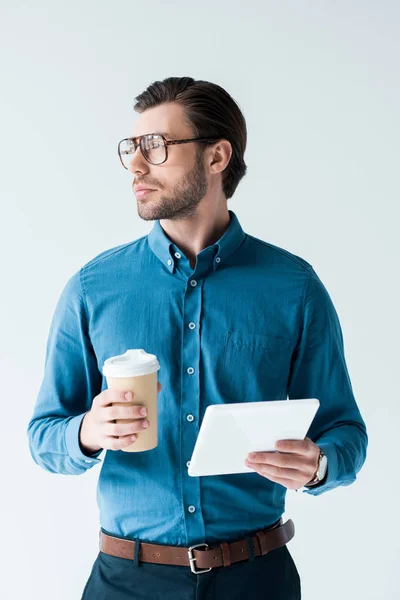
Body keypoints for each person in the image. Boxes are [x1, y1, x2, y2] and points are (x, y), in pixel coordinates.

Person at [27, 76, 368, 600]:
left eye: (156, 147)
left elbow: (346, 431)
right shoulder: (93, 288)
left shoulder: (294, 288)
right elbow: (44, 435)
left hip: (258, 579)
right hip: (126, 582)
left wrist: (319, 464)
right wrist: (88, 432)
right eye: (131, 150)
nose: (136, 166)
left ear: (217, 157)